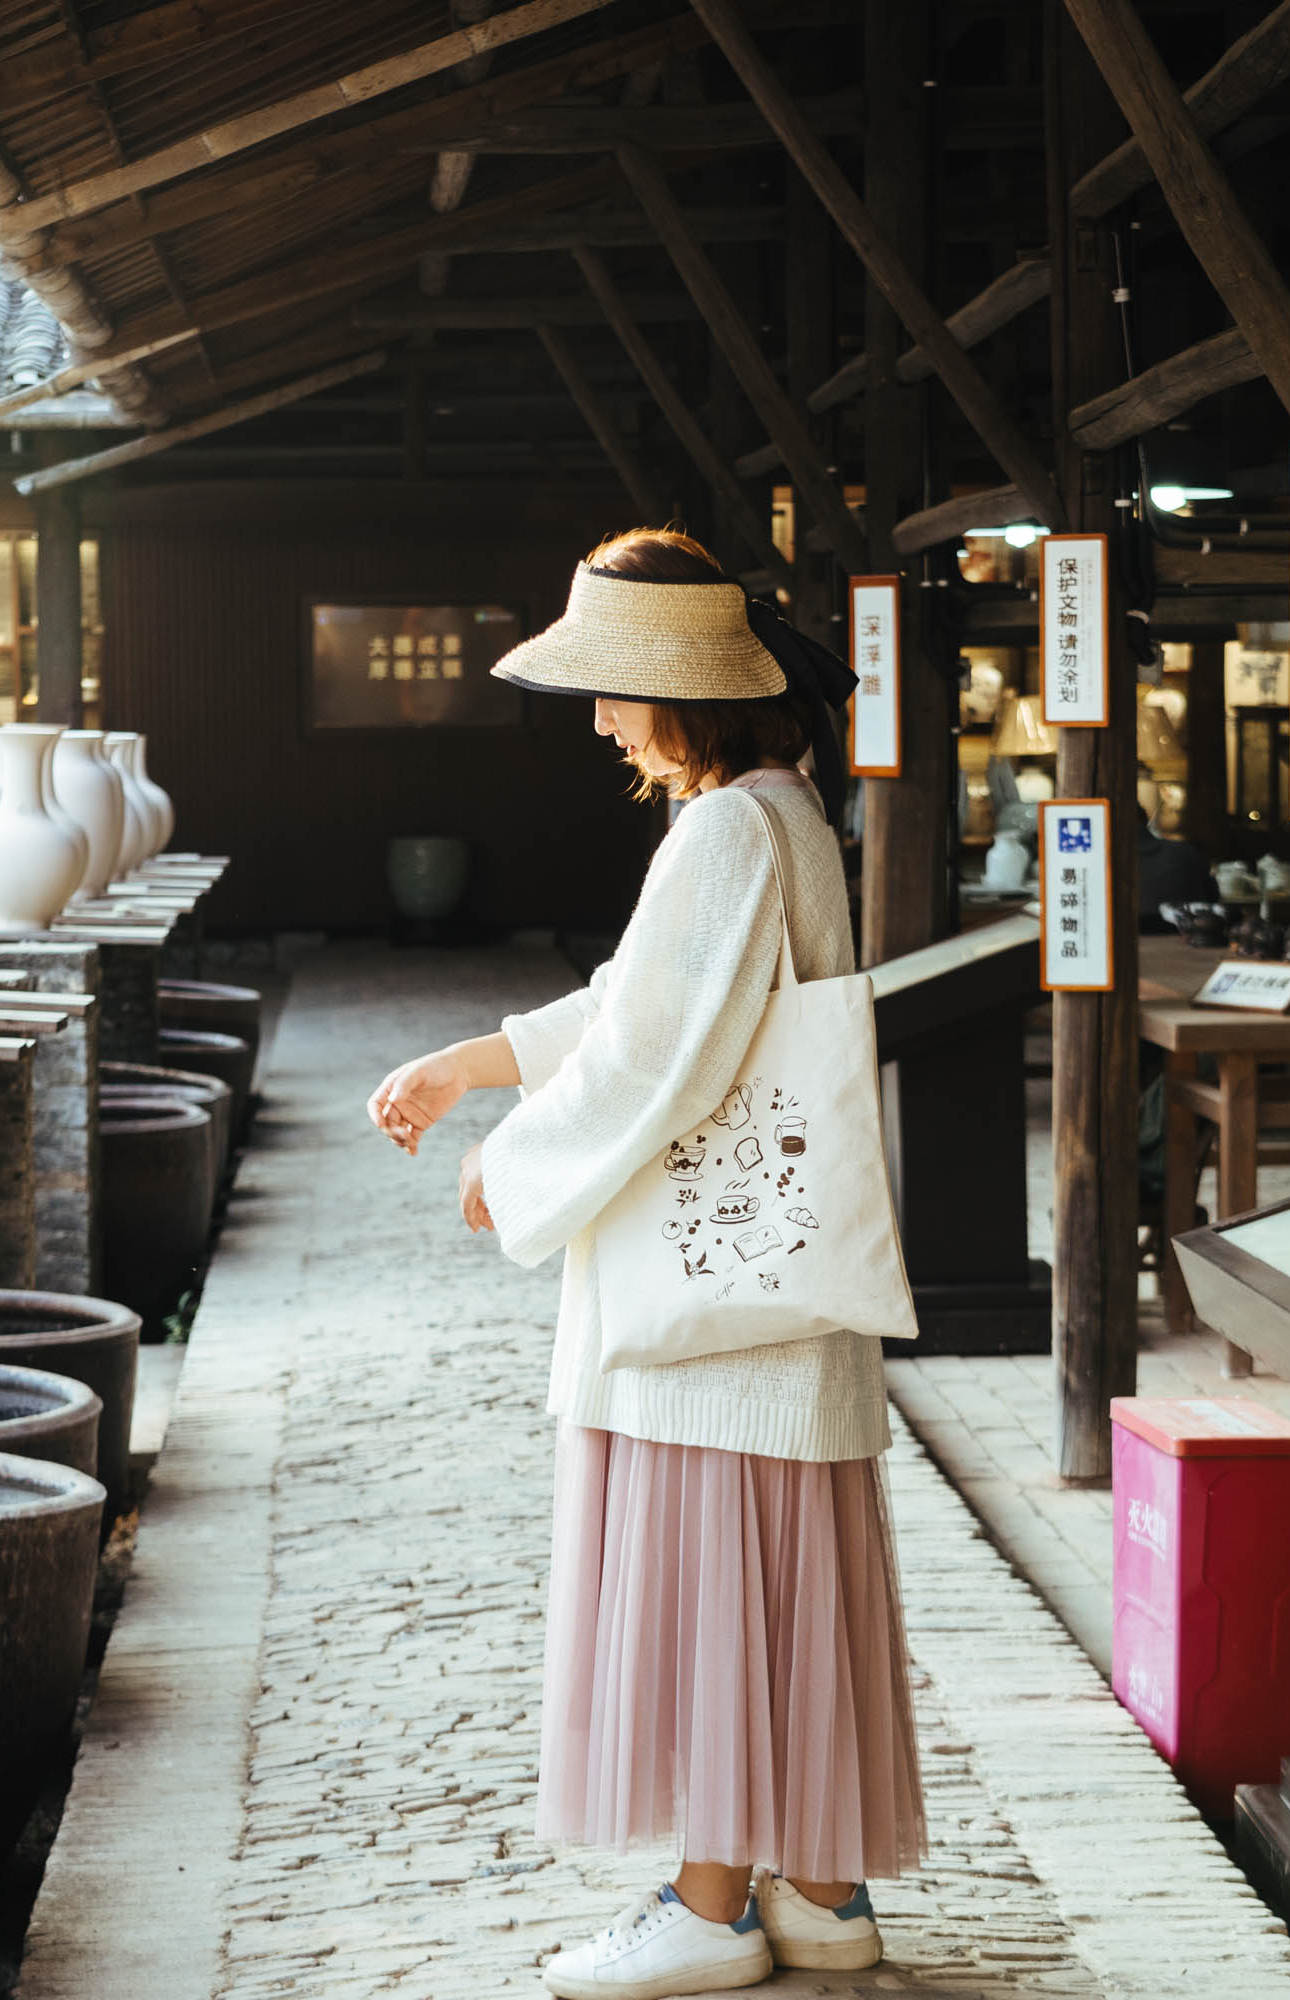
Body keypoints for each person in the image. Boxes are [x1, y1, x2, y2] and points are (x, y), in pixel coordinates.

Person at [367, 528, 925, 2000]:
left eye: (617, 689)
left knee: (712, 1576)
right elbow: (642, 1010)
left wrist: (512, 1161)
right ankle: (817, 1886)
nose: (602, 718)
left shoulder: (727, 831)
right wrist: (468, 1067)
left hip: (710, 1312)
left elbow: (654, 1058)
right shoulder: (780, 809)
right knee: (781, 1582)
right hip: (766, 1275)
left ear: (691, 690)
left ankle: (710, 1903)